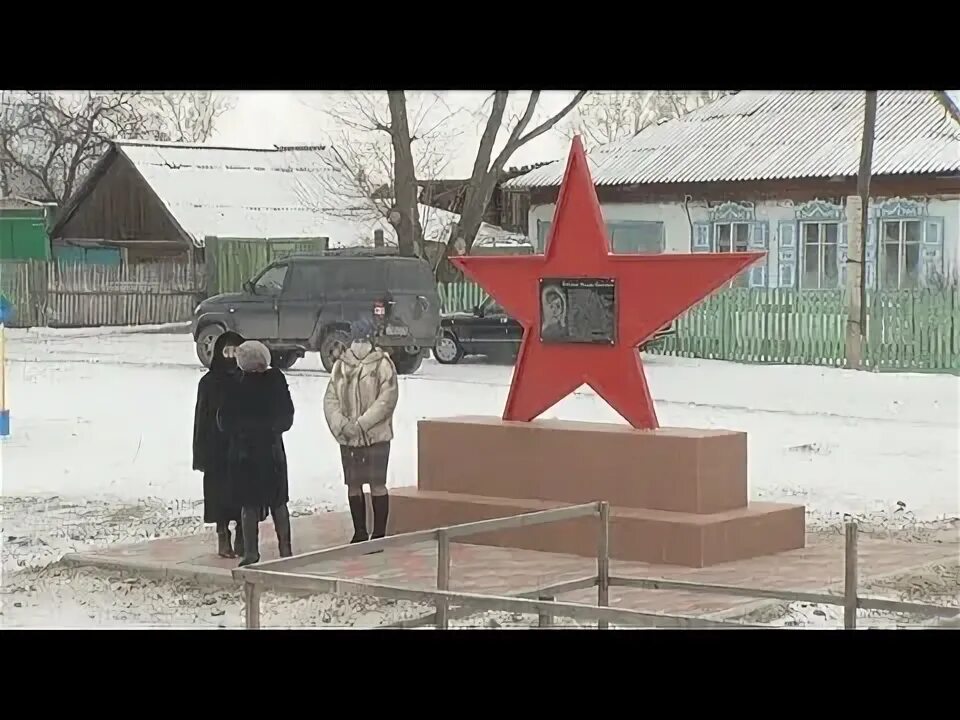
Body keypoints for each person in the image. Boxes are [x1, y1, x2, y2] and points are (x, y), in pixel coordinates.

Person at [218, 340, 295, 567]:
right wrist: (269, 428)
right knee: (278, 502)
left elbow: (223, 421)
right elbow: (286, 417)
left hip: (245, 454)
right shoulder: (276, 381)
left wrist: (244, 431)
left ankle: (251, 552)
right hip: (271, 452)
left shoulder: (236, 384)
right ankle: (285, 549)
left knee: (249, 504)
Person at [323, 317, 399, 545]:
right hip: (351, 437)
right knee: (361, 484)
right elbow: (331, 399)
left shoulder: (381, 363)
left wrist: (359, 424)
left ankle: (372, 533)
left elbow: (386, 399)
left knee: (368, 484)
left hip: (373, 436)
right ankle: (364, 532)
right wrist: (343, 425)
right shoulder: (342, 365)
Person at [192, 331, 244, 558]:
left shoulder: (247, 378)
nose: (231, 357)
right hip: (217, 449)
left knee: (245, 495)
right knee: (220, 496)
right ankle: (223, 535)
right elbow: (201, 419)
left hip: (244, 449)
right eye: (227, 351)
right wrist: (201, 454)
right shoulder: (209, 382)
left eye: (236, 351)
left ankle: (244, 535)